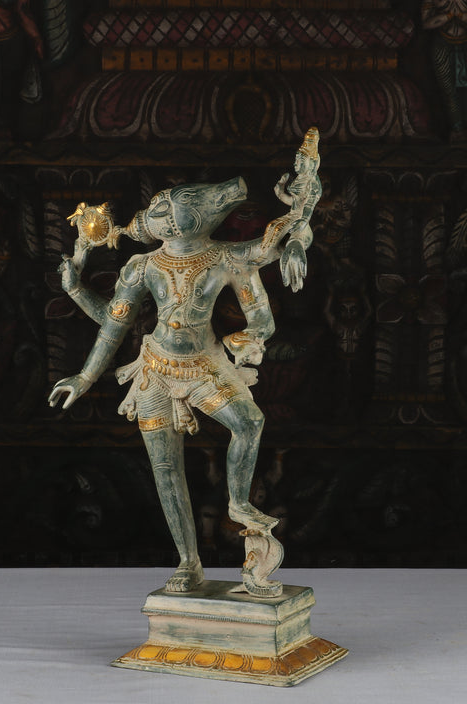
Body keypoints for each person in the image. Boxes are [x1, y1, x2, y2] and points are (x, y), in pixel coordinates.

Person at [49, 130, 321, 593]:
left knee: (249, 423)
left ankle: (238, 502)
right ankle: (188, 563)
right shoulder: (142, 267)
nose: (158, 212)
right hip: (154, 372)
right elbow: (114, 324)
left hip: (204, 366)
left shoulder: (226, 258)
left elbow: (276, 247)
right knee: (166, 470)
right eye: (161, 206)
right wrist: (85, 371)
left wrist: (299, 227)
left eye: (168, 206)